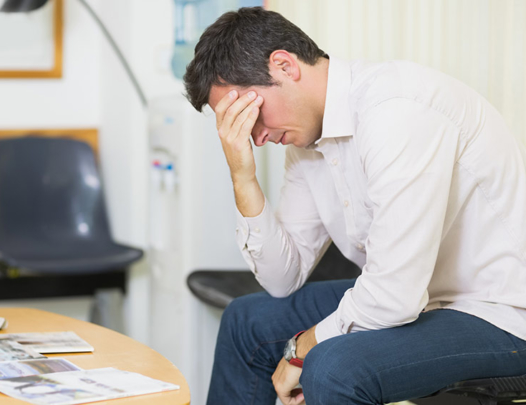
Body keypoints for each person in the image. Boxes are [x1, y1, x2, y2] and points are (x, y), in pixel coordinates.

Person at [183, 7, 526, 405]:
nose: (255, 137)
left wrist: (302, 346)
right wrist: (242, 175)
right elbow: (282, 278)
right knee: (247, 321)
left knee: (332, 364)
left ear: (283, 66)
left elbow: (394, 296)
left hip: (499, 313)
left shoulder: (398, 109)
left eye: (248, 115)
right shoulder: (307, 142)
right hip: (422, 299)